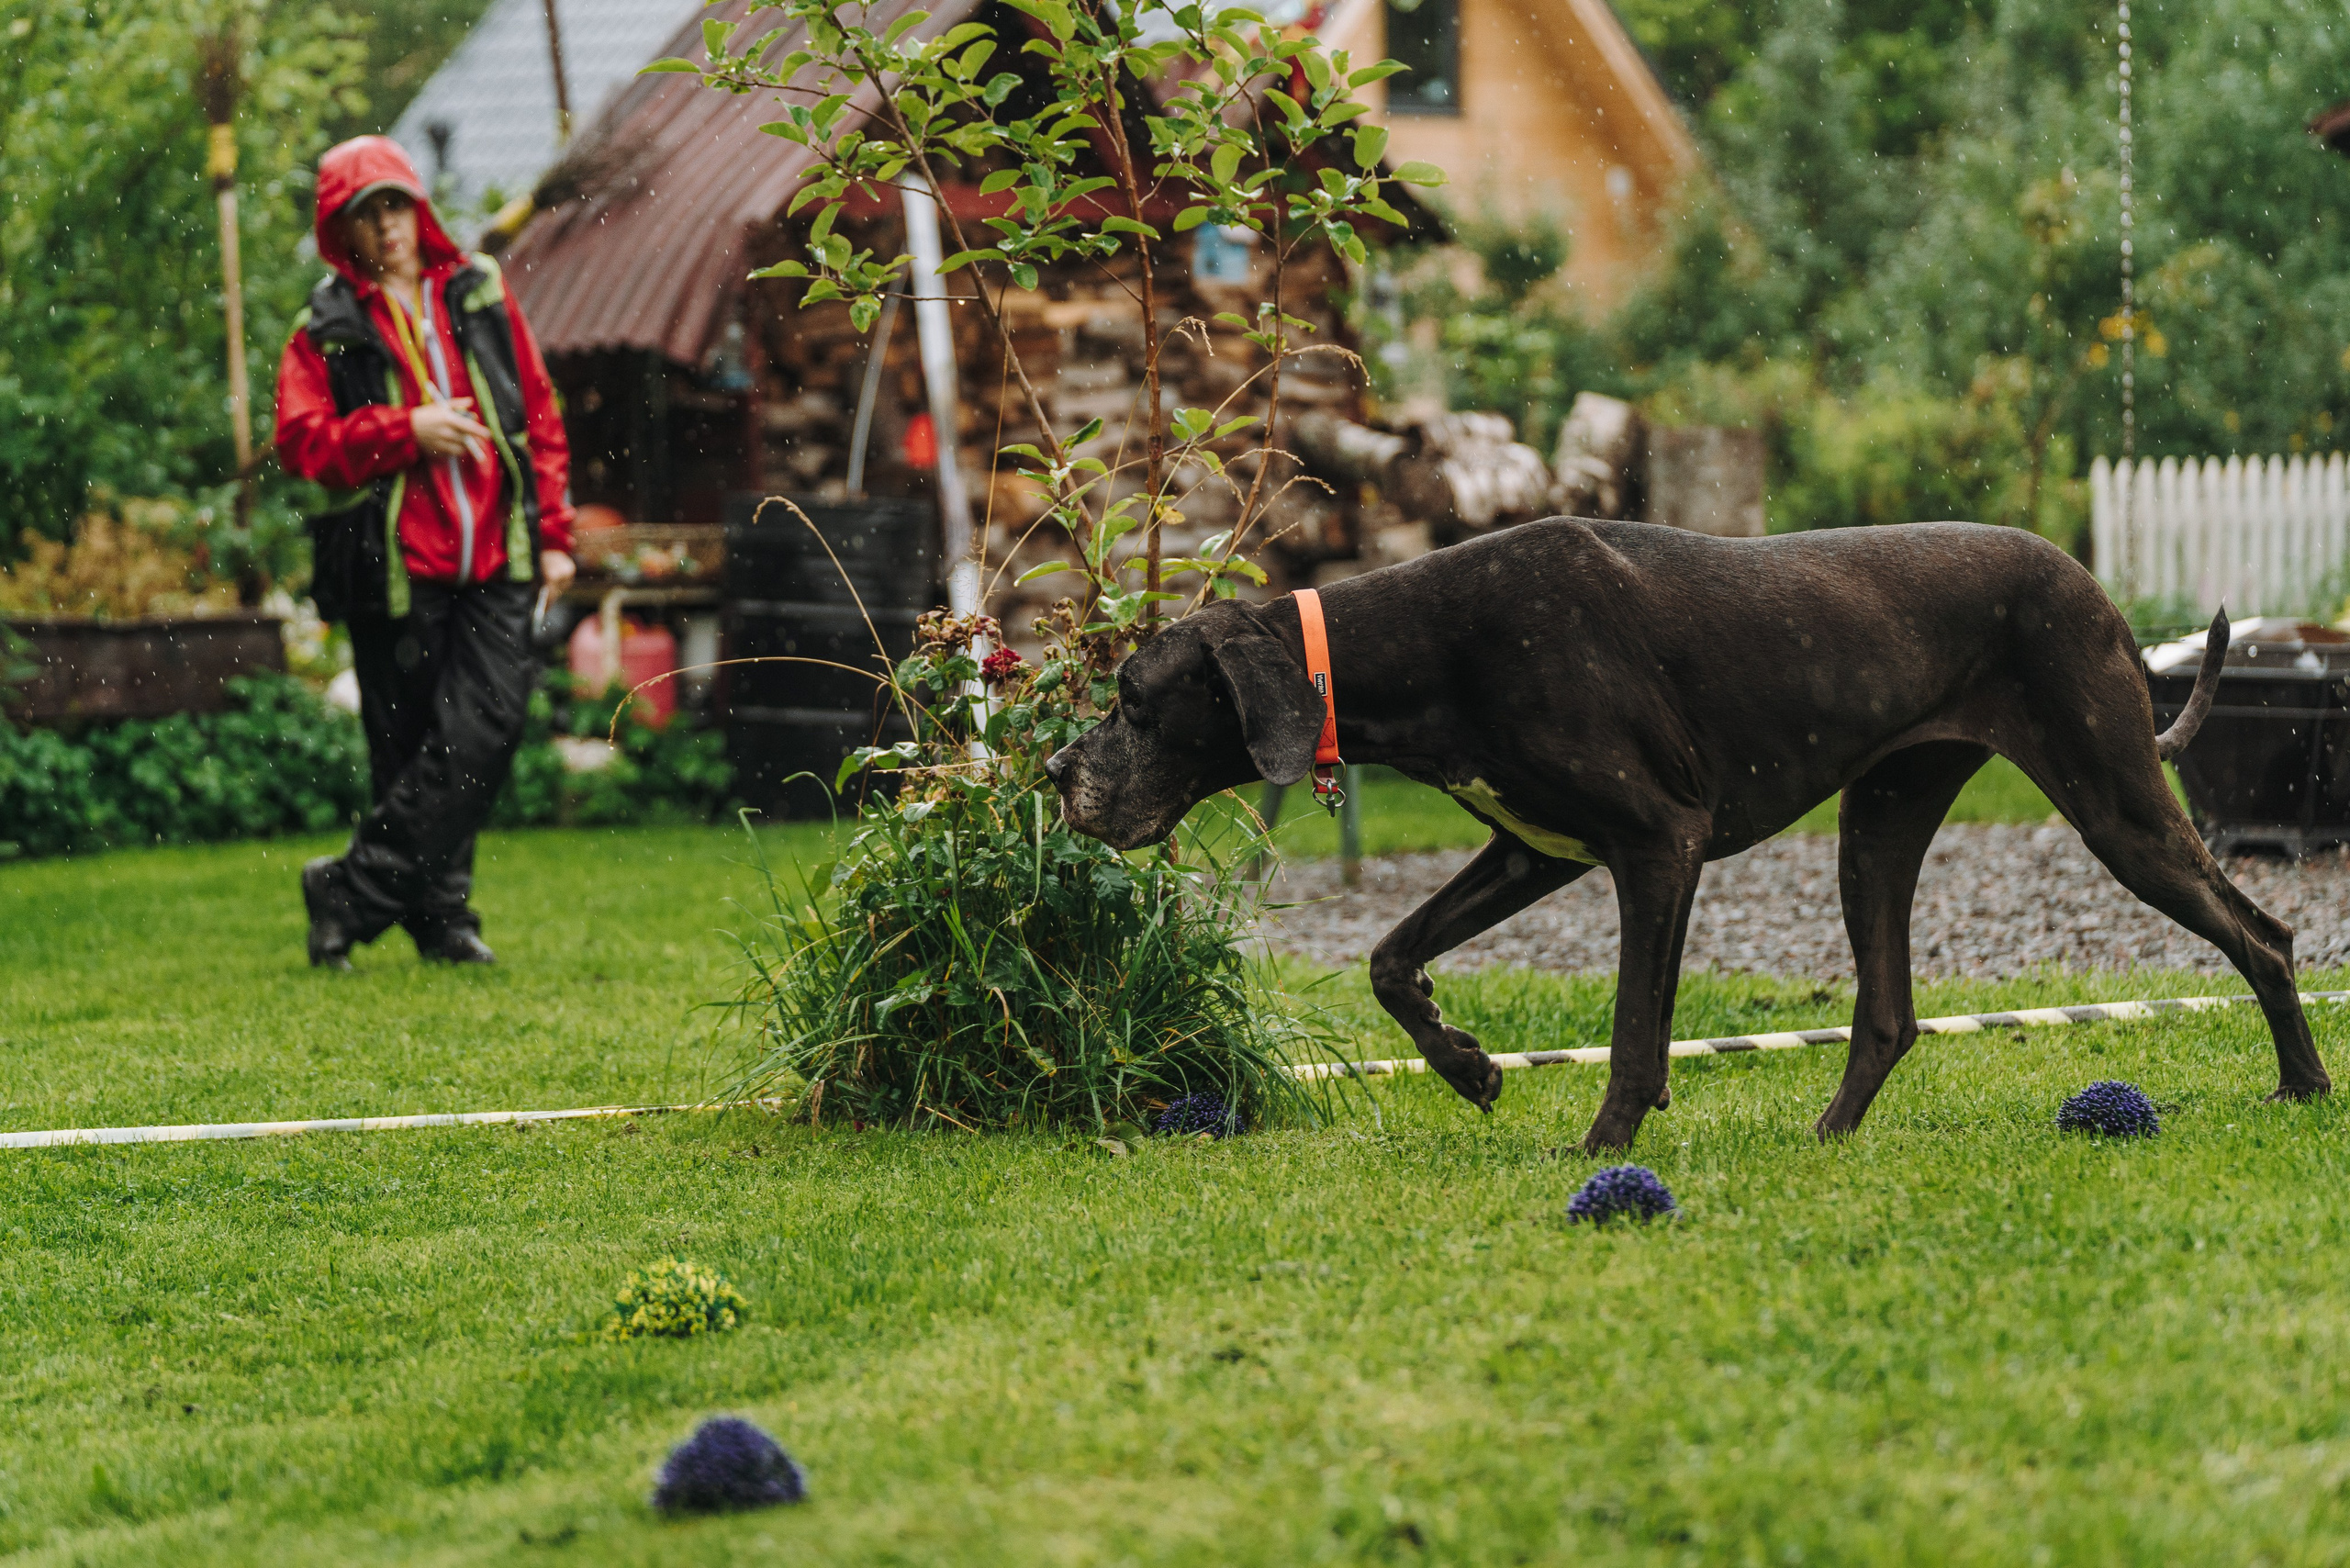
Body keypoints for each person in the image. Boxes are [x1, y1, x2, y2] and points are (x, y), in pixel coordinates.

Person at [275, 136, 576, 969]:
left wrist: (555, 535)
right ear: (344, 232)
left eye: (396, 203)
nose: (387, 225)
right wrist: (404, 432)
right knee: (413, 747)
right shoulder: (327, 324)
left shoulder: (478, 289)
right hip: (397, 567)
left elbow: (539, 414)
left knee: (484, 731)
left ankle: (349, 891)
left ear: (418, 208)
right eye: (365, 213)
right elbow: (303, 444)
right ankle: (441, 917)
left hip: (500, 554)